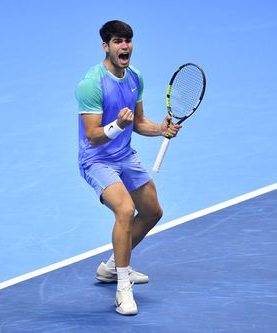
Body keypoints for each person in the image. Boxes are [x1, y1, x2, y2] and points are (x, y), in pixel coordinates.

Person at [75, 20, 181, 315]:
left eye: (128, 41)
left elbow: (139, 122)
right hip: (96, 160)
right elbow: (95, 136)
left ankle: (111, 267)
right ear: (105, 46)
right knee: (124, 210)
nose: (125, 46)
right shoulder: (91, 84)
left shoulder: (135, 78)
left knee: (152, 212)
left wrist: (160, 129)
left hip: (124, 155)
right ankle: (123, 287)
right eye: (118, 41)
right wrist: (117, 125)